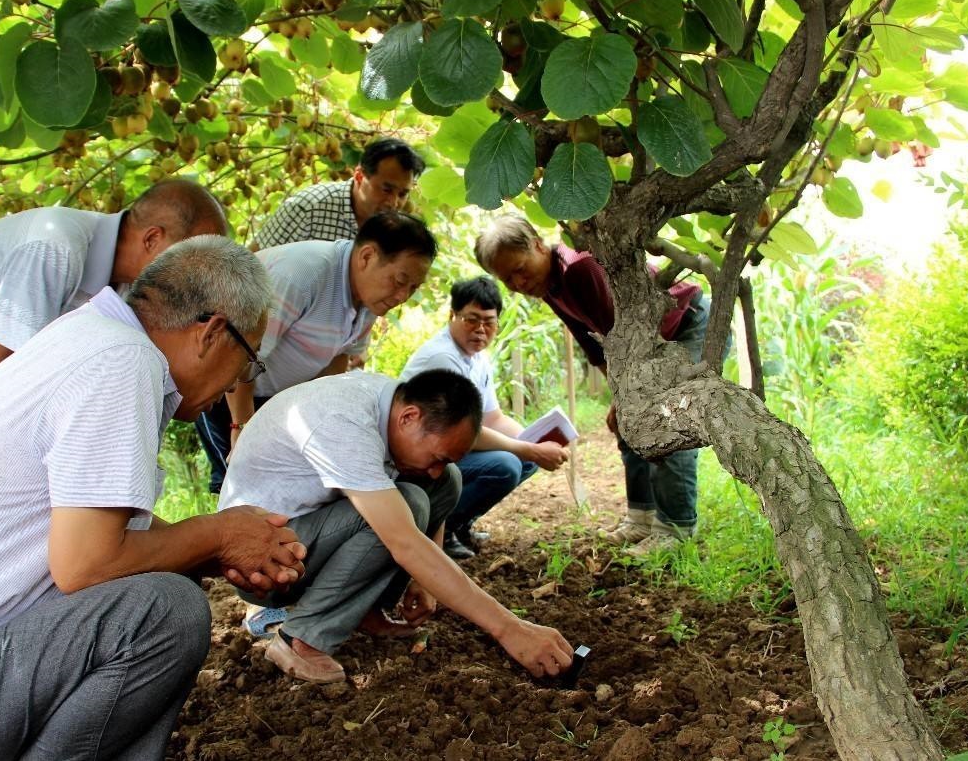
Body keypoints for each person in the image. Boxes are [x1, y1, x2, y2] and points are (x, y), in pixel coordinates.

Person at [0, 236, 306, 761]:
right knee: (162, 611)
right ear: (213, 331)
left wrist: (217, 550)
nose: (235, 386)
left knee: (156, 594)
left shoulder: (94, 340)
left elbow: (102, 534)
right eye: (246, 364)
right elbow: (89, 564)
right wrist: (219, 532)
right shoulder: (120, 361)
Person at [0, 179, 229, 487]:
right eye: (195, 256)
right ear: (152, 239)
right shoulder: (57, 245)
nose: (199, 274)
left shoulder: (131, 291)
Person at [219, 368, 575, 684]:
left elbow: (451, 455)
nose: (434, 467)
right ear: (409, 417)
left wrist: (424, 580)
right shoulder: (344, 421)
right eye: (435, 456)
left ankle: (366, 609)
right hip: (263, 566)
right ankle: (300, 638)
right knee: (406, 506)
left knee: (446, 480)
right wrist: (511, 629)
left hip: (304, 538)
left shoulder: (392, 402)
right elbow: (403, 542)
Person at [474, 216, 711, 557]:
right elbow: (592, 343)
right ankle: (641, 518)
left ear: (539, 246)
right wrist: (621, 394)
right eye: (506, 278)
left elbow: (626, 336)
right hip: (637, 344)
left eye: (520, 269)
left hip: (682, 324)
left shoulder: (578, 268)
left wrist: (628, 393)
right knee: (630, 422)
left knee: (668, 424)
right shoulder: (548, 285)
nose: (517, 282)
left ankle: (675, 530)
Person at [196, 211, 437, 494]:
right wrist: (241, 425)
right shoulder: (302, 274)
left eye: (413, 288)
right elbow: (238, 353)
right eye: (399, 281)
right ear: (367, 256)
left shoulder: (370, 299)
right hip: (226, 390)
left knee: (283, 492)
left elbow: (338, 360)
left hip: (276, 400)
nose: (402, 297)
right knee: (241, 488)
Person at [400, 277, 569, 560]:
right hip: (420, 455)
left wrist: (535, 440)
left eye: (489, 322)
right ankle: (441, 528)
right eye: (471, 320)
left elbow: (493, 418)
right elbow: (464, 432)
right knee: (505, 465)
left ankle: (460, 523)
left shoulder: (478, 357)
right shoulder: (443, 358)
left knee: (524, 459)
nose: (480, 330)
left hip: (450, 449)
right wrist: (529, 448)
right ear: (452, 315)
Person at [252, 137, 425, 250]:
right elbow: (251, 264)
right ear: (359, 175)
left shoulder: (392, 230)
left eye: (403, 194)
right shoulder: (309, 207)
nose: (393, 203)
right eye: (386, 189)